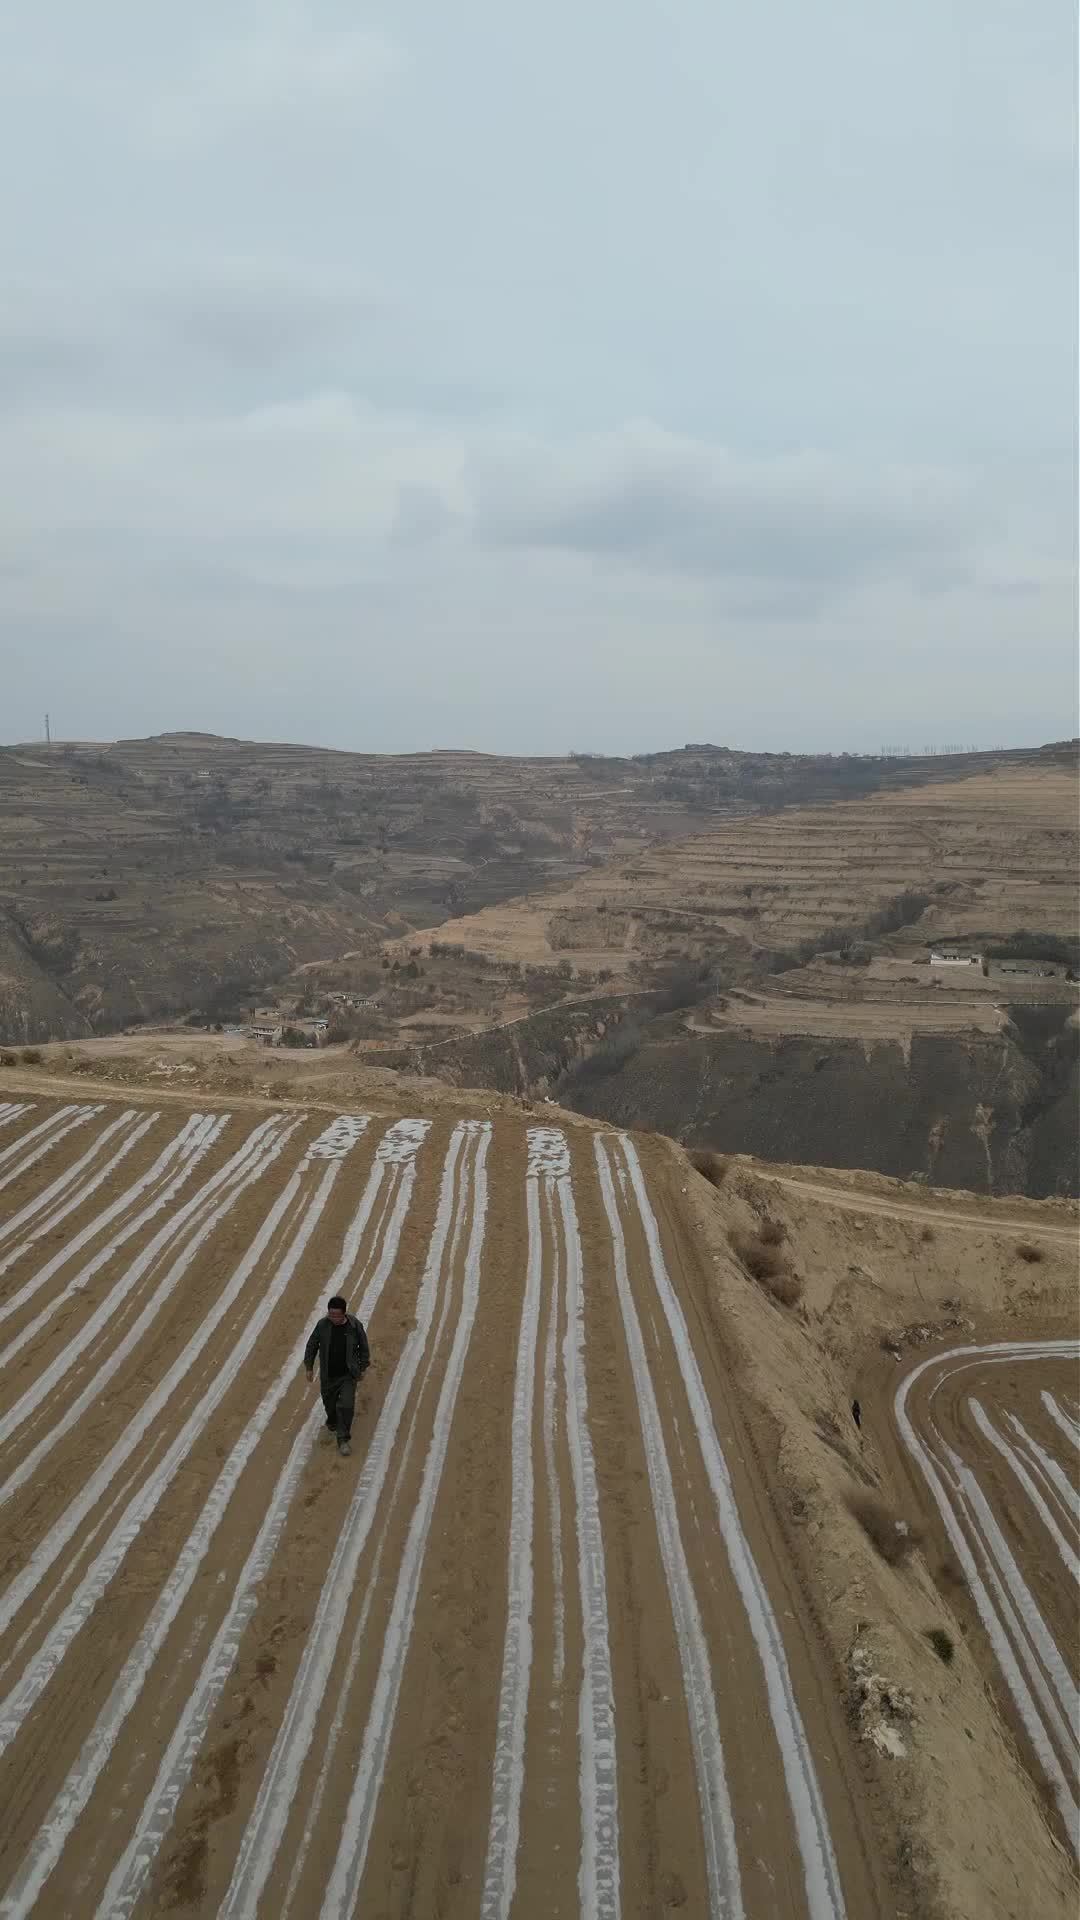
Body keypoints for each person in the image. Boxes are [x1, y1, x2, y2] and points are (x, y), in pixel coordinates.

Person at [304, 1294, 369, 1457]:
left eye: (337, 1315)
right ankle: (332, 1421)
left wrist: (361, 1368)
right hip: (328, 1375)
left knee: (346, 1405)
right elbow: (312, 1345)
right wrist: (309, 1367)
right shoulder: (322, 1325)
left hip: (348, 1375)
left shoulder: (355, 1326)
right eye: (330, 1314)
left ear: (344, 1314)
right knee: (330, 1405)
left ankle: (343, 1440)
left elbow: (364, 1348)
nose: (333, 1318)